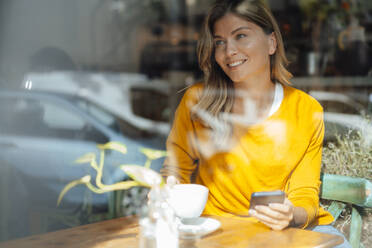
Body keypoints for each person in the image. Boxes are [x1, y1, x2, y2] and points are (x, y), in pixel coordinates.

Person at [161, 0, 350, 247]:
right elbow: (176, 171)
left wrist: (290, 214)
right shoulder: (197, 103)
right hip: (218, 232)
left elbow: (304, 195)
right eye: (220, 42)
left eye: (241, 36)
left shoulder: (306, 110)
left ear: (271, 43)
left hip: (284, 235)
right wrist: (167, 188)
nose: (229, 51)